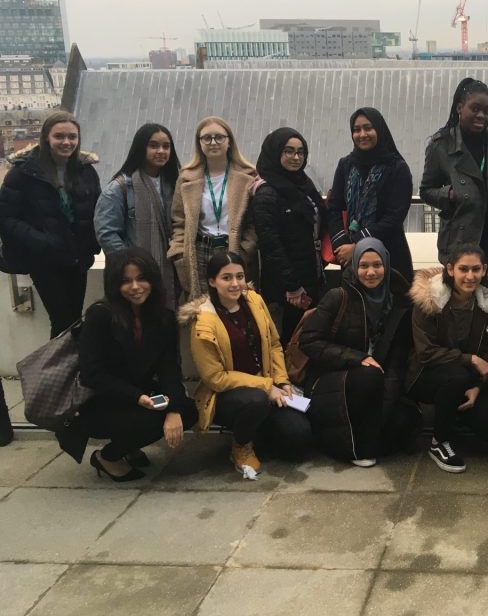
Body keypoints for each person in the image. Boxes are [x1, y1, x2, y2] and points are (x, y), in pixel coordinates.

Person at [179, 252, 312, 479]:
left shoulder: (254, 301)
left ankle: (260, 430)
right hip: (230, 396)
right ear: (212, 281)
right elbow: (216, 378)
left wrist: (281, 381)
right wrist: (266, 386)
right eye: (226, 278)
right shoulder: (204, 321)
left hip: (268, 384)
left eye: (239, 276)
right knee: (255, 399)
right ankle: (241, 445)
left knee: (299, 439)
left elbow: (273, 344)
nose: (235, 284)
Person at [78, 248, 198, 481]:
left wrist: (173, 407)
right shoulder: (100, 316)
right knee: (150, 419)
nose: (135, 287)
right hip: (103, 401)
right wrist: (137, 397)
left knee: (188, 410)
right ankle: (108, 456)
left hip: (142, 395)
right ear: (114, 285)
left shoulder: (163, 318)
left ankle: (129, 446)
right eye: (126, 281)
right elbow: (92, 374)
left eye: (141, 278)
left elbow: (169, 369)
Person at [299, 238, 415, 466]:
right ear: (354, 267)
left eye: (377, 265)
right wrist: (359, 358)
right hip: (333, 379)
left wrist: (387, 404)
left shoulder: (399, 303)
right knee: (368, 375)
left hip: (377, 382)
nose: (371, 272)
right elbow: (309, 341)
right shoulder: (338, 296)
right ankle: (357, 447)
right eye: (363, 266)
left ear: (387, 265)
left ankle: (364, 436)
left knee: (407, 424)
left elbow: (397, 362)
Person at [407, 243, 488, 473]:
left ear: (484, 270)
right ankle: (439, 441)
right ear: (450, 269)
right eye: (463, 269)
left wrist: (478, 386)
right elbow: (426, 352)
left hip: (467, 379)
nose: (470, 276)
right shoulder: (429, 299)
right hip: (425, 374)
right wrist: (470, 359)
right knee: (456, 375)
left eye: (476, 269)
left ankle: (453, 413)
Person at [0, 111, 101, 337]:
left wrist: (91, 244)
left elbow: (96, 210)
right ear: (46, 138)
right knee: (63, 320)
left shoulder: (86, 171)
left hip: (77, 257)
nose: (67, 142)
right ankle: (56, 371)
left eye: (72, 137)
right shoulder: (23, 173)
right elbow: (6, 219)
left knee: (73, 319)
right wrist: (41, 241)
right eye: (60, 136)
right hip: (44, 260)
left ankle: (68, 370)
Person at [420, 77, 488, 274]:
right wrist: (448, 194)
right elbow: (426, 190)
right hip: (460, 242)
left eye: (486, 110)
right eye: (475, 109)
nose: (481, 115)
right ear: (459, 108)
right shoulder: (441, 145)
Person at [168, 116, 258, 301]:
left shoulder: (248, 176)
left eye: (219, 137)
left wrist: (245, 250)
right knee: (202, 309)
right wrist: (179, 253)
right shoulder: (186, 178)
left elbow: (254, 221)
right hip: (199, 251)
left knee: (234, 305)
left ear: (229, 141)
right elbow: (178, 221)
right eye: (207, 138)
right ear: (199, 143)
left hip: (233, 249)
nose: (213, 142)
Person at [252, 127, 327, 344]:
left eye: (300, 152)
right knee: (288, 340)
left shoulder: (302, 184)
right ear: (275, 153)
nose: (296, 157)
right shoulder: (266, 193)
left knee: (305, 338)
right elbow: (270, 245)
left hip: (310, 273)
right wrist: (292, 287)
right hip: (286, 287)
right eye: (289, 151)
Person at [93, 123, 181, 309]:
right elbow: (106, 234)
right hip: (134, 279)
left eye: (166, 146)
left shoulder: (174, 184)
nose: (161, 151)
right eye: (153, 145)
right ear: (141, 148)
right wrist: (132, 264)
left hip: (171, 272)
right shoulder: (120, 188)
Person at [327, 108, 414, 282]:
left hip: (389, 252)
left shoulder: (397, 167)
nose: (362, 134)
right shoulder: (346, 165)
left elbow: (393, 217)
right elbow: (334, 207)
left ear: (380, 130)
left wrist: (358, 245)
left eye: (368, 128)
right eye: (356, 130)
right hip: (351, 258)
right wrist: (342, 244)